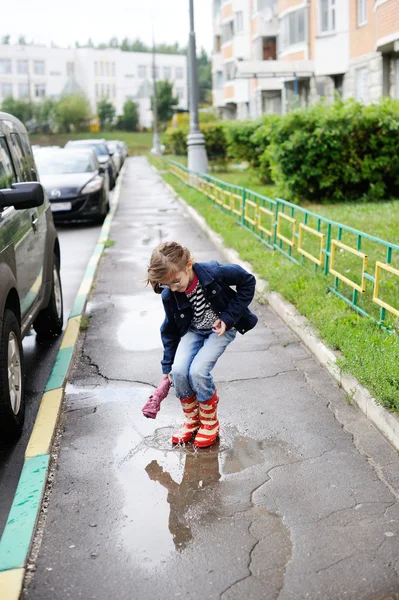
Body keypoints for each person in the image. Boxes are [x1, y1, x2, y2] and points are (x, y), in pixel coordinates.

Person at [146, 241, 258, 449]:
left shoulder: (213, 272)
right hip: (193, 330)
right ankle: (192, 421)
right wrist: (166, 366)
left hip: (221, 329)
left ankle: (209, 422)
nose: (173, 288)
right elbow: (169, 329)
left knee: (198, 371)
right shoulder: (169, 294)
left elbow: (247, 282)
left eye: (176, 282)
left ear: (188, 265)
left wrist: (228, 318)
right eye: (167, 285)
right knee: (178, 372)